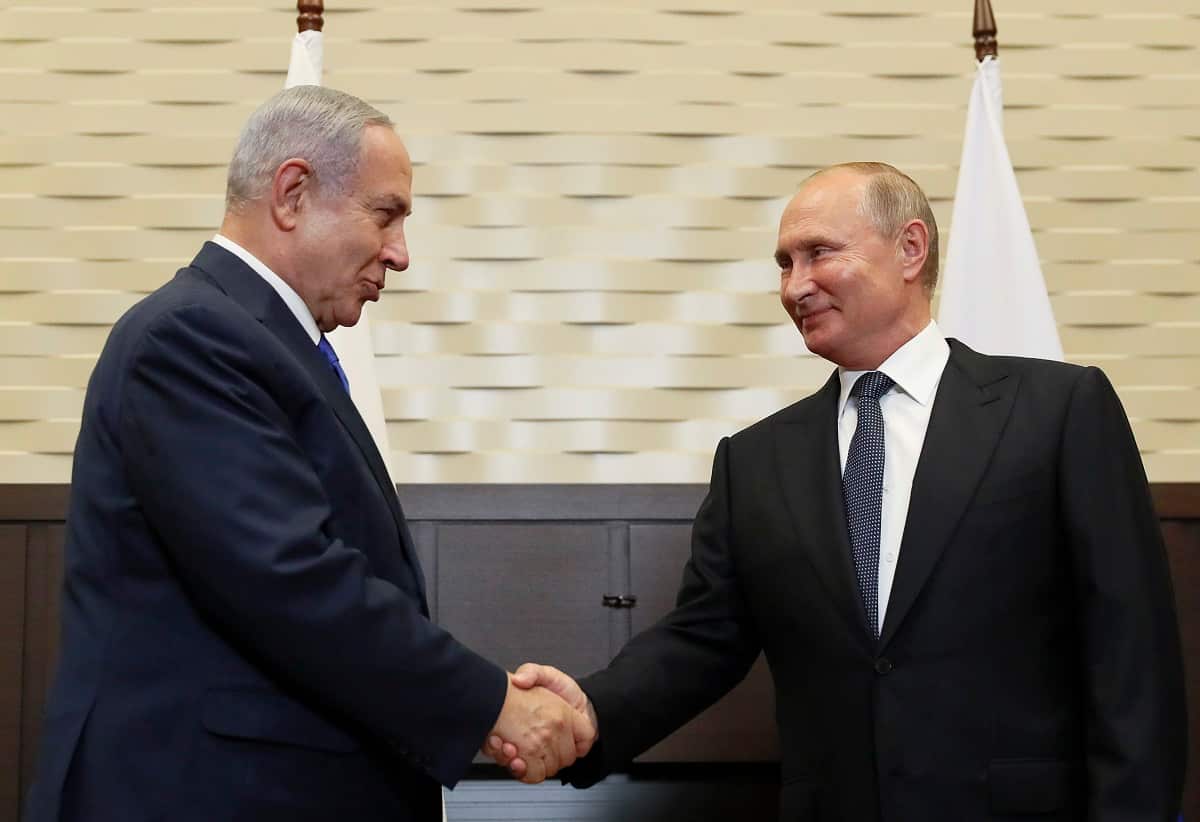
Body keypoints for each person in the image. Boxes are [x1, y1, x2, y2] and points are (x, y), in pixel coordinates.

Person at [489, 162, 1187, 820]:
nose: (795, 286)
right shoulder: (756, 461)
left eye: (818, 253)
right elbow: (702, 640)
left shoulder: (1057, 411)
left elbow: (1132, 657)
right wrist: (589, 712)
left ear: (910, 249)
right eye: (784, 264)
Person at [25, 85, 594, 822]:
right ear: (292, 193)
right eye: (385, 214)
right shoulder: (191, 337)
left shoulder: (265, 342)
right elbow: (288, 575)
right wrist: (492, 705)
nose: (400, 253)